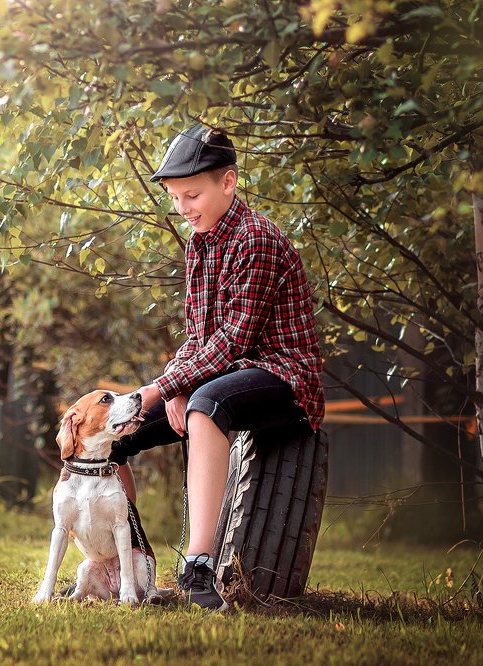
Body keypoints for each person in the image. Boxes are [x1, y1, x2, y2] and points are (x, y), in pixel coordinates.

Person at [111, 124, 325, 611]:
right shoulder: (198, 244)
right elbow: (200, 337)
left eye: (192, 195)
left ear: (228, 183)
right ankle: (131, 569)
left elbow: (234, 341)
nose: (183, 208)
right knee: (119, 434)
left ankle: (198, 566)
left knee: (205, 406)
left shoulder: (256, 241)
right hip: (224, 373)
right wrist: (171, 392)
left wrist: (164, 388)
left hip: (283, 375)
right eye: (175, 197)